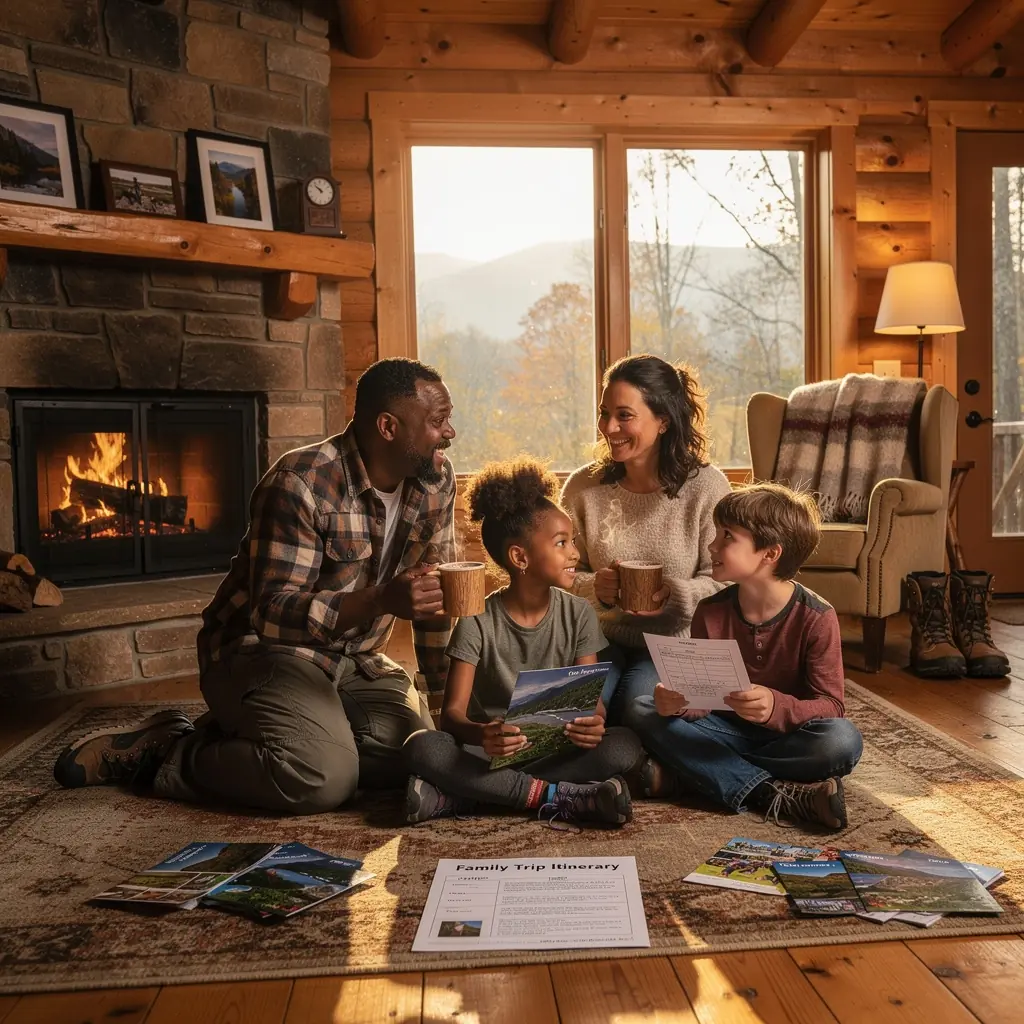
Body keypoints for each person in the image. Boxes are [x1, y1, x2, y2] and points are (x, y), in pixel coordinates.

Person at [53, 358, 459, 815]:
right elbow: (270, 613)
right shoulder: (301, 483)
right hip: (260, 650)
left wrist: (448, 709)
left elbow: (434, 598)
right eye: (438, 421)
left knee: (421, 757)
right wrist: (382, 599)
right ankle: (170, 751)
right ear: (388, 426)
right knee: (322, 779)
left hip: (354, 659)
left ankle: (273, 735)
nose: (450, 433)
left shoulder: (434, 482)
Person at [404, 456, 642, 828]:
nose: (575, 554)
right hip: (488, 754)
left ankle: (464, 795)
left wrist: (593, 722)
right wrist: (484, 734)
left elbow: (591, 705)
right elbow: (451, 717)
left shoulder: (579, 613)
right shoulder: (476, 620)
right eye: (561, 543)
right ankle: (557, 797)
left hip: (555, 751)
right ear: (520, 557)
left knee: (624, 744)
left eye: (573, 541)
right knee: (421, 746)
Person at [630, 483, 864, 831]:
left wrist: (775, 706)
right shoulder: (710, 611)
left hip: (787, 737)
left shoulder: (816, 617)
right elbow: (700, 704)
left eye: (727, 537)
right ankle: (769, 793)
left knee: (842, 740)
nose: (713, 545)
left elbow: (830, 706)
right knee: (643, 708)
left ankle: (696, 774)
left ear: (770, 554)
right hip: (723, 730)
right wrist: (677, 701)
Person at [561, 354, 731, 728]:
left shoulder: (706, 487)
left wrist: (679, 595)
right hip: (596, 638)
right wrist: (595, 586)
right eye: (604, 413)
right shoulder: (582, 488)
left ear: (664, 420)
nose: (608, 427)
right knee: (571, 712)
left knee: (636, 709)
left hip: (675, 642)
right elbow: (558, 574)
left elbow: (728, 580)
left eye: (625, 415)